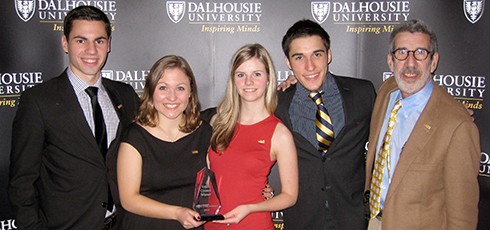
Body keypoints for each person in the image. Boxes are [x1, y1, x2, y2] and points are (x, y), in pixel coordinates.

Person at [8, 6, 140, 229]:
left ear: (109, 45)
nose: (91, 50)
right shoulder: (38, 100)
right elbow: (22, 181)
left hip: (123, 224)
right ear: (64, 43)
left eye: (99, 41)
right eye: (81, 40)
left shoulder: (125, 94)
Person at [364, 19, 480, 229]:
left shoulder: (457, 126)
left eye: (420, 53)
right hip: (373, 222)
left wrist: (453, 111)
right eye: (402, 52)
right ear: (390, 61)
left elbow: (462, 215)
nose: (410, 63)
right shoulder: (386, 92)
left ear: (433, 61)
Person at [275, 19, 376, 229]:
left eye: (317, 54)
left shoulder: (363, 93)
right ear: (288, 62)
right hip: (301, 220)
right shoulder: (277, 103)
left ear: (328, 55)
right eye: (299, 57)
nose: (309, 66)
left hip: (351, 219)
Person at [205, 43, 298, 229]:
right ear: (233, 80)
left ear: (268, 78)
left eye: (257, 74)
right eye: (241, 75)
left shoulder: (279, 134)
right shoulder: (217, 122)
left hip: (253, 223)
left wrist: (250, 208)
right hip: (213, 224)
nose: (248, 82)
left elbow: (290, 196)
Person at [117, 55, 210, 229]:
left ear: (190, 92)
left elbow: (221, 179)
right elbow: (128, 199)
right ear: (151, 92)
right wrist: (176, 212)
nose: (172, 97)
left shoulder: (205, 133)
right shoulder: (135, 136)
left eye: (180, 88)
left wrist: (260, 189)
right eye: (163, 88)